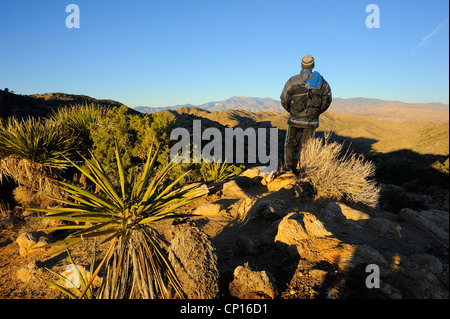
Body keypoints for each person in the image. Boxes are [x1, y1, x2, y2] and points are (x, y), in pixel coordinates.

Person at [280, 55, 332, 174]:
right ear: (313, 65)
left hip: (294, 119)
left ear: (302, 65)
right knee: (307, 147)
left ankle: (288, 170)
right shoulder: (323, 83)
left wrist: (293, 111)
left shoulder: (293, 81)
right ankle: (304, 171)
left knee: (290, 145)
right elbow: (327, 102)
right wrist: (316, 113)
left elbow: (284, 99)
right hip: (311, 121)